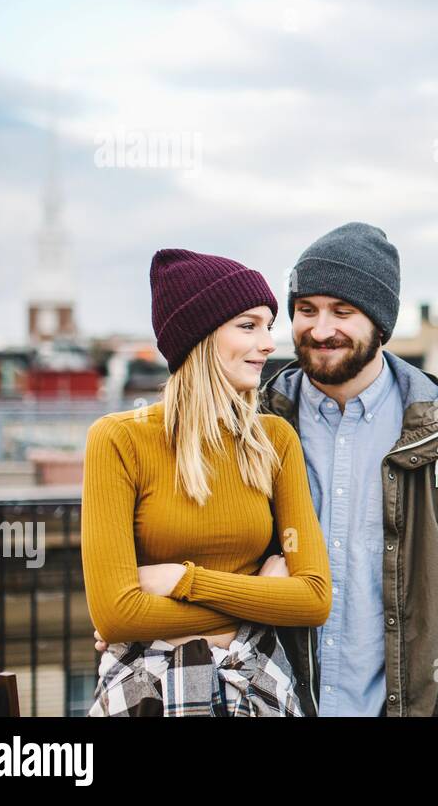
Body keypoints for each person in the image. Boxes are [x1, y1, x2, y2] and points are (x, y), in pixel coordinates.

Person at [258, 221, 438, 716]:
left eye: (343, 311)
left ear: (380, 324)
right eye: (306, 310)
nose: (320, 330)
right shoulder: (255, 426)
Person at [81, 248, 331, 716]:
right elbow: (116, 615)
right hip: (147, 694)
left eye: (268, 325)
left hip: (255, 689)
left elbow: (314, 599)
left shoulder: (275, 441)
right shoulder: (118, 440)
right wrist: (260, 596)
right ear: (199, 336)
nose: (268, 343)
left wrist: (183, 580)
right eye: (248, 325)